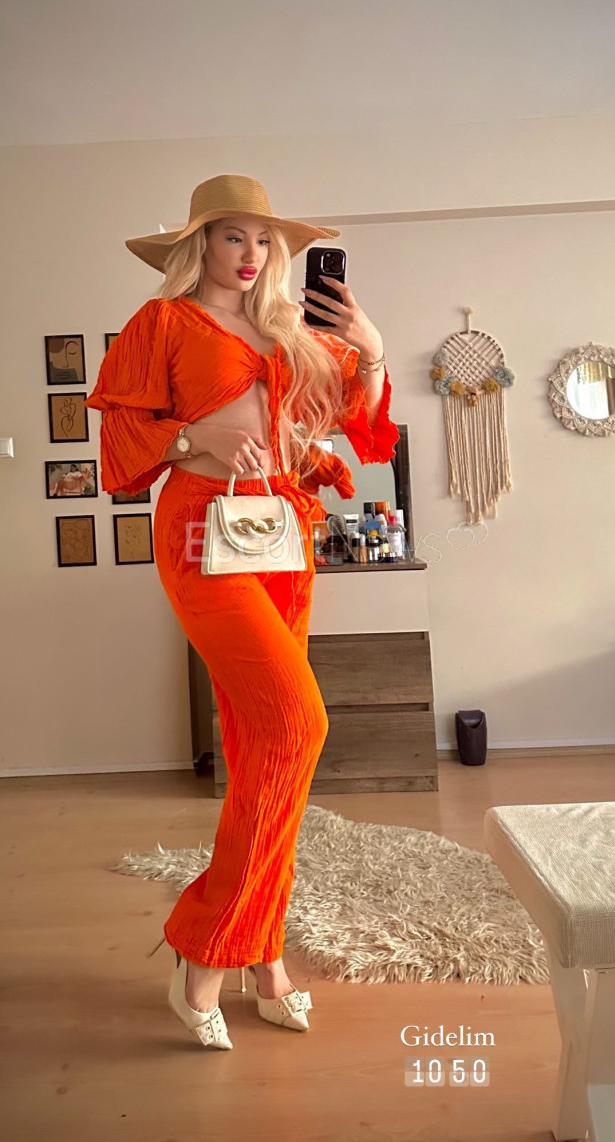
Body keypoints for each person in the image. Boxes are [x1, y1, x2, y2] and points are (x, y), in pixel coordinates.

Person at [85, 174, 400, 1049]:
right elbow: (120, 444)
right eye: (233, 235)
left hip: (282, 533)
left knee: (269, 748)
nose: (252, 253)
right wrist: (196, 436)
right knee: (298, 723)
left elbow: (355, 424)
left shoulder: (292, 329)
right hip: (201, 530)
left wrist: (371, 350)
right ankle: (205, 947)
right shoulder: (163, 323)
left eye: (264, 239)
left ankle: (262, 955)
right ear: (201, 244)